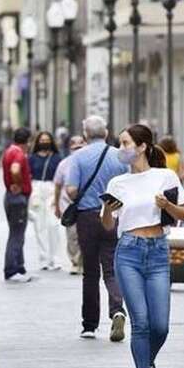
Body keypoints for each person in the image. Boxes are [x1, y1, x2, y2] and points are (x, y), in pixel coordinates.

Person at [101, 124, 184, 368]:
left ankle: (147, 360)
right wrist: (106, 209)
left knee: (160, 325)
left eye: (125, 143)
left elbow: (183, 214)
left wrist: (167, 207)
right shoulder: (118, 183)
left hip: (158, 252)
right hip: (128, 252)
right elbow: (107, 226)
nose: (120, 149)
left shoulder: (165, 176)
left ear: (142, 146)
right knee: (140, 321)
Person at [65, 115, 128, 341]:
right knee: (111, 268)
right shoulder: (119, 156)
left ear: (84, 134)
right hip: (114, 216)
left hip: (88, 218)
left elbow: (71, 190)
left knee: (90, 272)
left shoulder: (78, 157)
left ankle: (90, 325)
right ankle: (118, 310)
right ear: (107, 132)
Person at [2, 128, 33, 283]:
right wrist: (18, 184)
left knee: (16, 231)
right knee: (17, 234)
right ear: (28, 141)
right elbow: (15, 169)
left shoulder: (9, 150)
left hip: (11, 197)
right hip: (18, 197)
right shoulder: (18, 154)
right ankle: (12, 269)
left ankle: (19, 266)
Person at [27, 131, 62, 270]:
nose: (44, 142)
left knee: (53, 224)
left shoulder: (57, 158)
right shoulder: (32, 158)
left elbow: (61, 177)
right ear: (37, 142)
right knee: (39, 225)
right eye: (42, 140)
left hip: (52, 188)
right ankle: (43, 258)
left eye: (47, 140)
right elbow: (28, 175)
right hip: (36, 188)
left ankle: (56, 259)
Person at [54, 135, 87, 275]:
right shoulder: (64, 164)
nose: (78, 149)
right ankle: (75, 261)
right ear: (69, 149)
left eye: (80, 146)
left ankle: (84, 262)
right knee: (72, 235)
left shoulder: (90, 162)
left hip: (87, 204)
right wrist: (56, 205)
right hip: (68, 205)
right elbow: (57, 185)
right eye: (74, 147)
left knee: (86, 235)